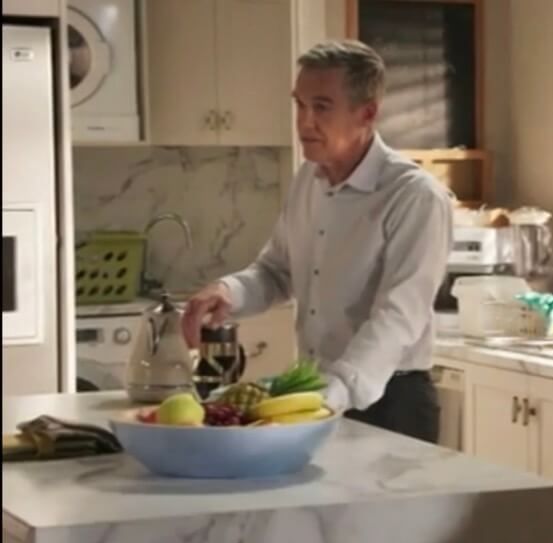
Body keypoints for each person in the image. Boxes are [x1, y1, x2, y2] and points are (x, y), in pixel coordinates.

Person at [180, 40, 453, 443]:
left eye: (322, 107)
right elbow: (276, 271)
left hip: (391, 403)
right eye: (300, 105)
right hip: (316, 394)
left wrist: (331, 396)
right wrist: (228, 291)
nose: (304, 122)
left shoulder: (414, 196)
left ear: (367, 113)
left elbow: (399, 316)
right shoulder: (308, 179)